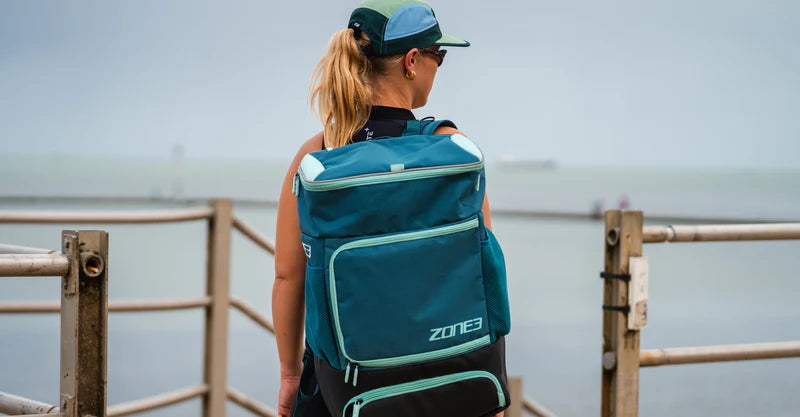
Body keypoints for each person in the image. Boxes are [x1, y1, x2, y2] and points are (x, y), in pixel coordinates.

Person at [273, 1, 501, 415]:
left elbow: (288, 276)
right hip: (446, 382)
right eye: (438, 55)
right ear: (412, 61)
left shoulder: (318, 155)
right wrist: (492, 381)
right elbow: (480, 274)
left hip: (341, 389)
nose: (438, 66)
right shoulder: (452, 149)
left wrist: (290, 376)